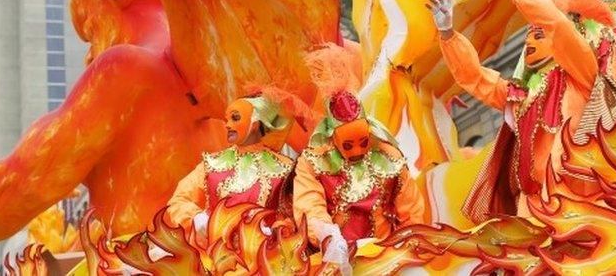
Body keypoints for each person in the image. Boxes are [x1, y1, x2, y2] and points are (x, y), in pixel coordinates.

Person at [427, 0, 609, 222]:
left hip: (581, 199)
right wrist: (447, 32)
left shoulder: (580, 73)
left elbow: (556, 23)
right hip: (532, 206)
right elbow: (475, 78)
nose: (530, 42)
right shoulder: (520, 95)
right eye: (528, 38)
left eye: (538, 34)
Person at [292, 44, 425, 276]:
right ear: (332, 137)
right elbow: (309, 206)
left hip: (388, 259)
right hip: (335, 263)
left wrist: (409, 247)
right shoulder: (313, 161)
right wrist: (328, 236)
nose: (357, 151)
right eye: (347, 145)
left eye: (363, 142)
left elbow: (412, 211)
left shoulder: (388, 155)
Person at [166, 86, 313, 247]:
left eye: (235, 118)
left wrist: (278, 232)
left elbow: (301, 217)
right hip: (213, 258)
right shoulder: (212, 165)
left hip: (264, 261)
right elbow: (178, 201)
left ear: (255, 123)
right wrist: (198, 220)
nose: (227, 125)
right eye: (227, 119)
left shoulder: (285, 169)